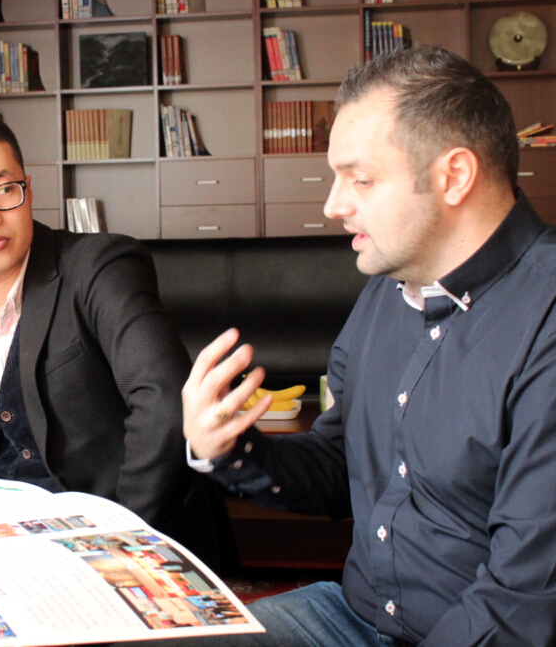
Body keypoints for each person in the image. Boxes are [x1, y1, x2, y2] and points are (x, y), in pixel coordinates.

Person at [179, 45, 556, 646]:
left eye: (361, 179)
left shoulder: (546, 318)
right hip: (352, 619)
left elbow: (524, 602)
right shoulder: (387, 289)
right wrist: (225, 449)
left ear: (454, 176)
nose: (333, 205)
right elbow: (338, 465)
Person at [0, 107, 231, 567]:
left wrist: (121, 547)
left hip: (127, 542)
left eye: (3, 190)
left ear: (28, 191)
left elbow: (164, 403)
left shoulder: (100, 268)